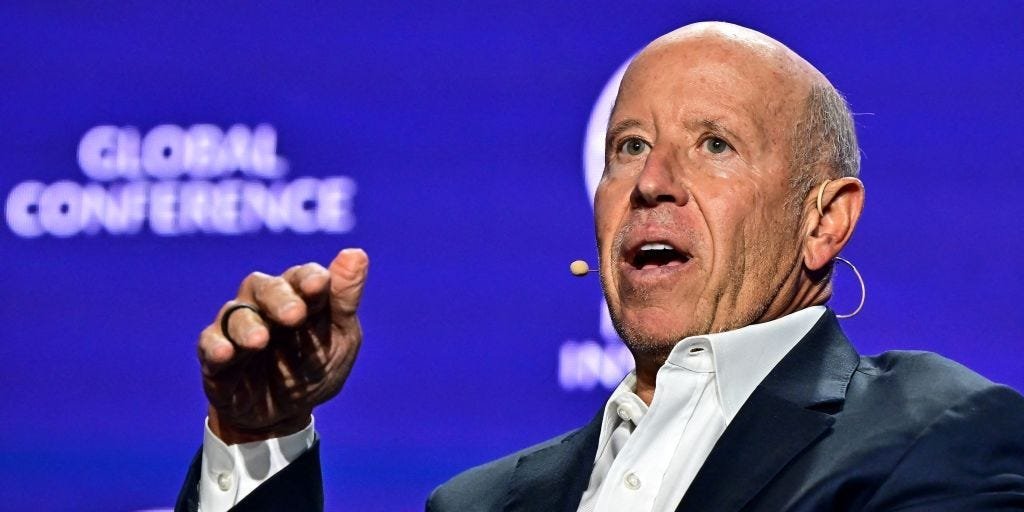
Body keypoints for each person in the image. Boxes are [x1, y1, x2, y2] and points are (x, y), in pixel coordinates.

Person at [176, 21, 1024, 512]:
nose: (652, 182)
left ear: (823, 220)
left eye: (714, 145)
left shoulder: (937, 436)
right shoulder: (480, 505)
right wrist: (259, 438)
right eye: (629, 147)